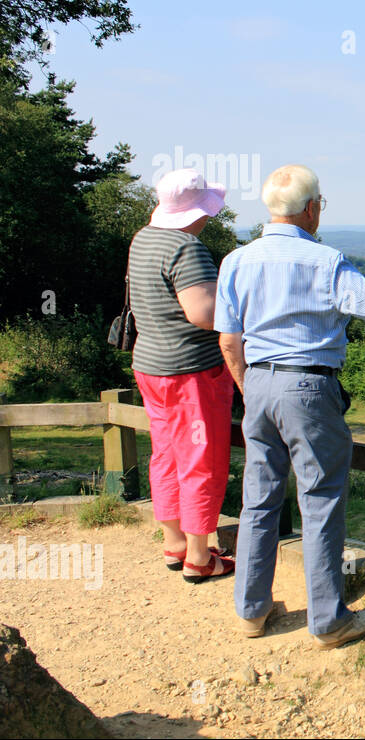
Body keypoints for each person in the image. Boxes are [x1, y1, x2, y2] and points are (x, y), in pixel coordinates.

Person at [215, 164, 365, 646]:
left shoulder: (235, 262)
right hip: (309, 386)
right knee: (321, 500)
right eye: (320, 205)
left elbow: (228, 341)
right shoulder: (324, 262)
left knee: (258, 499)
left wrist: (251, 388)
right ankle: (328, 620)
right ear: (311, 209)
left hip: (258, 384)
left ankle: (251, 610)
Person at [128, 168, 236, 583]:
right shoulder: (187, 247)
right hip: (191, 371)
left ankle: (173, 543)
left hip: (150, 365)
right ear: (197, 209)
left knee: (167, 454)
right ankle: (199, 556)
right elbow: (202, 314)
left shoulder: (143, 238)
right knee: (201, 459)